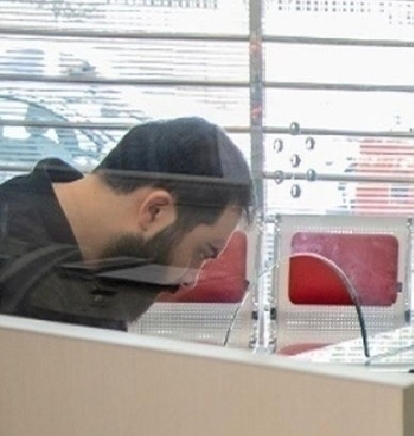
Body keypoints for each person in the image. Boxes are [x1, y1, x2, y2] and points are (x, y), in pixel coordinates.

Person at [0, 116, 252, 330]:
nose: (191, 280)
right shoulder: (28, 293)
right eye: (202, 252)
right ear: (155, 211)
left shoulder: (88, 276)